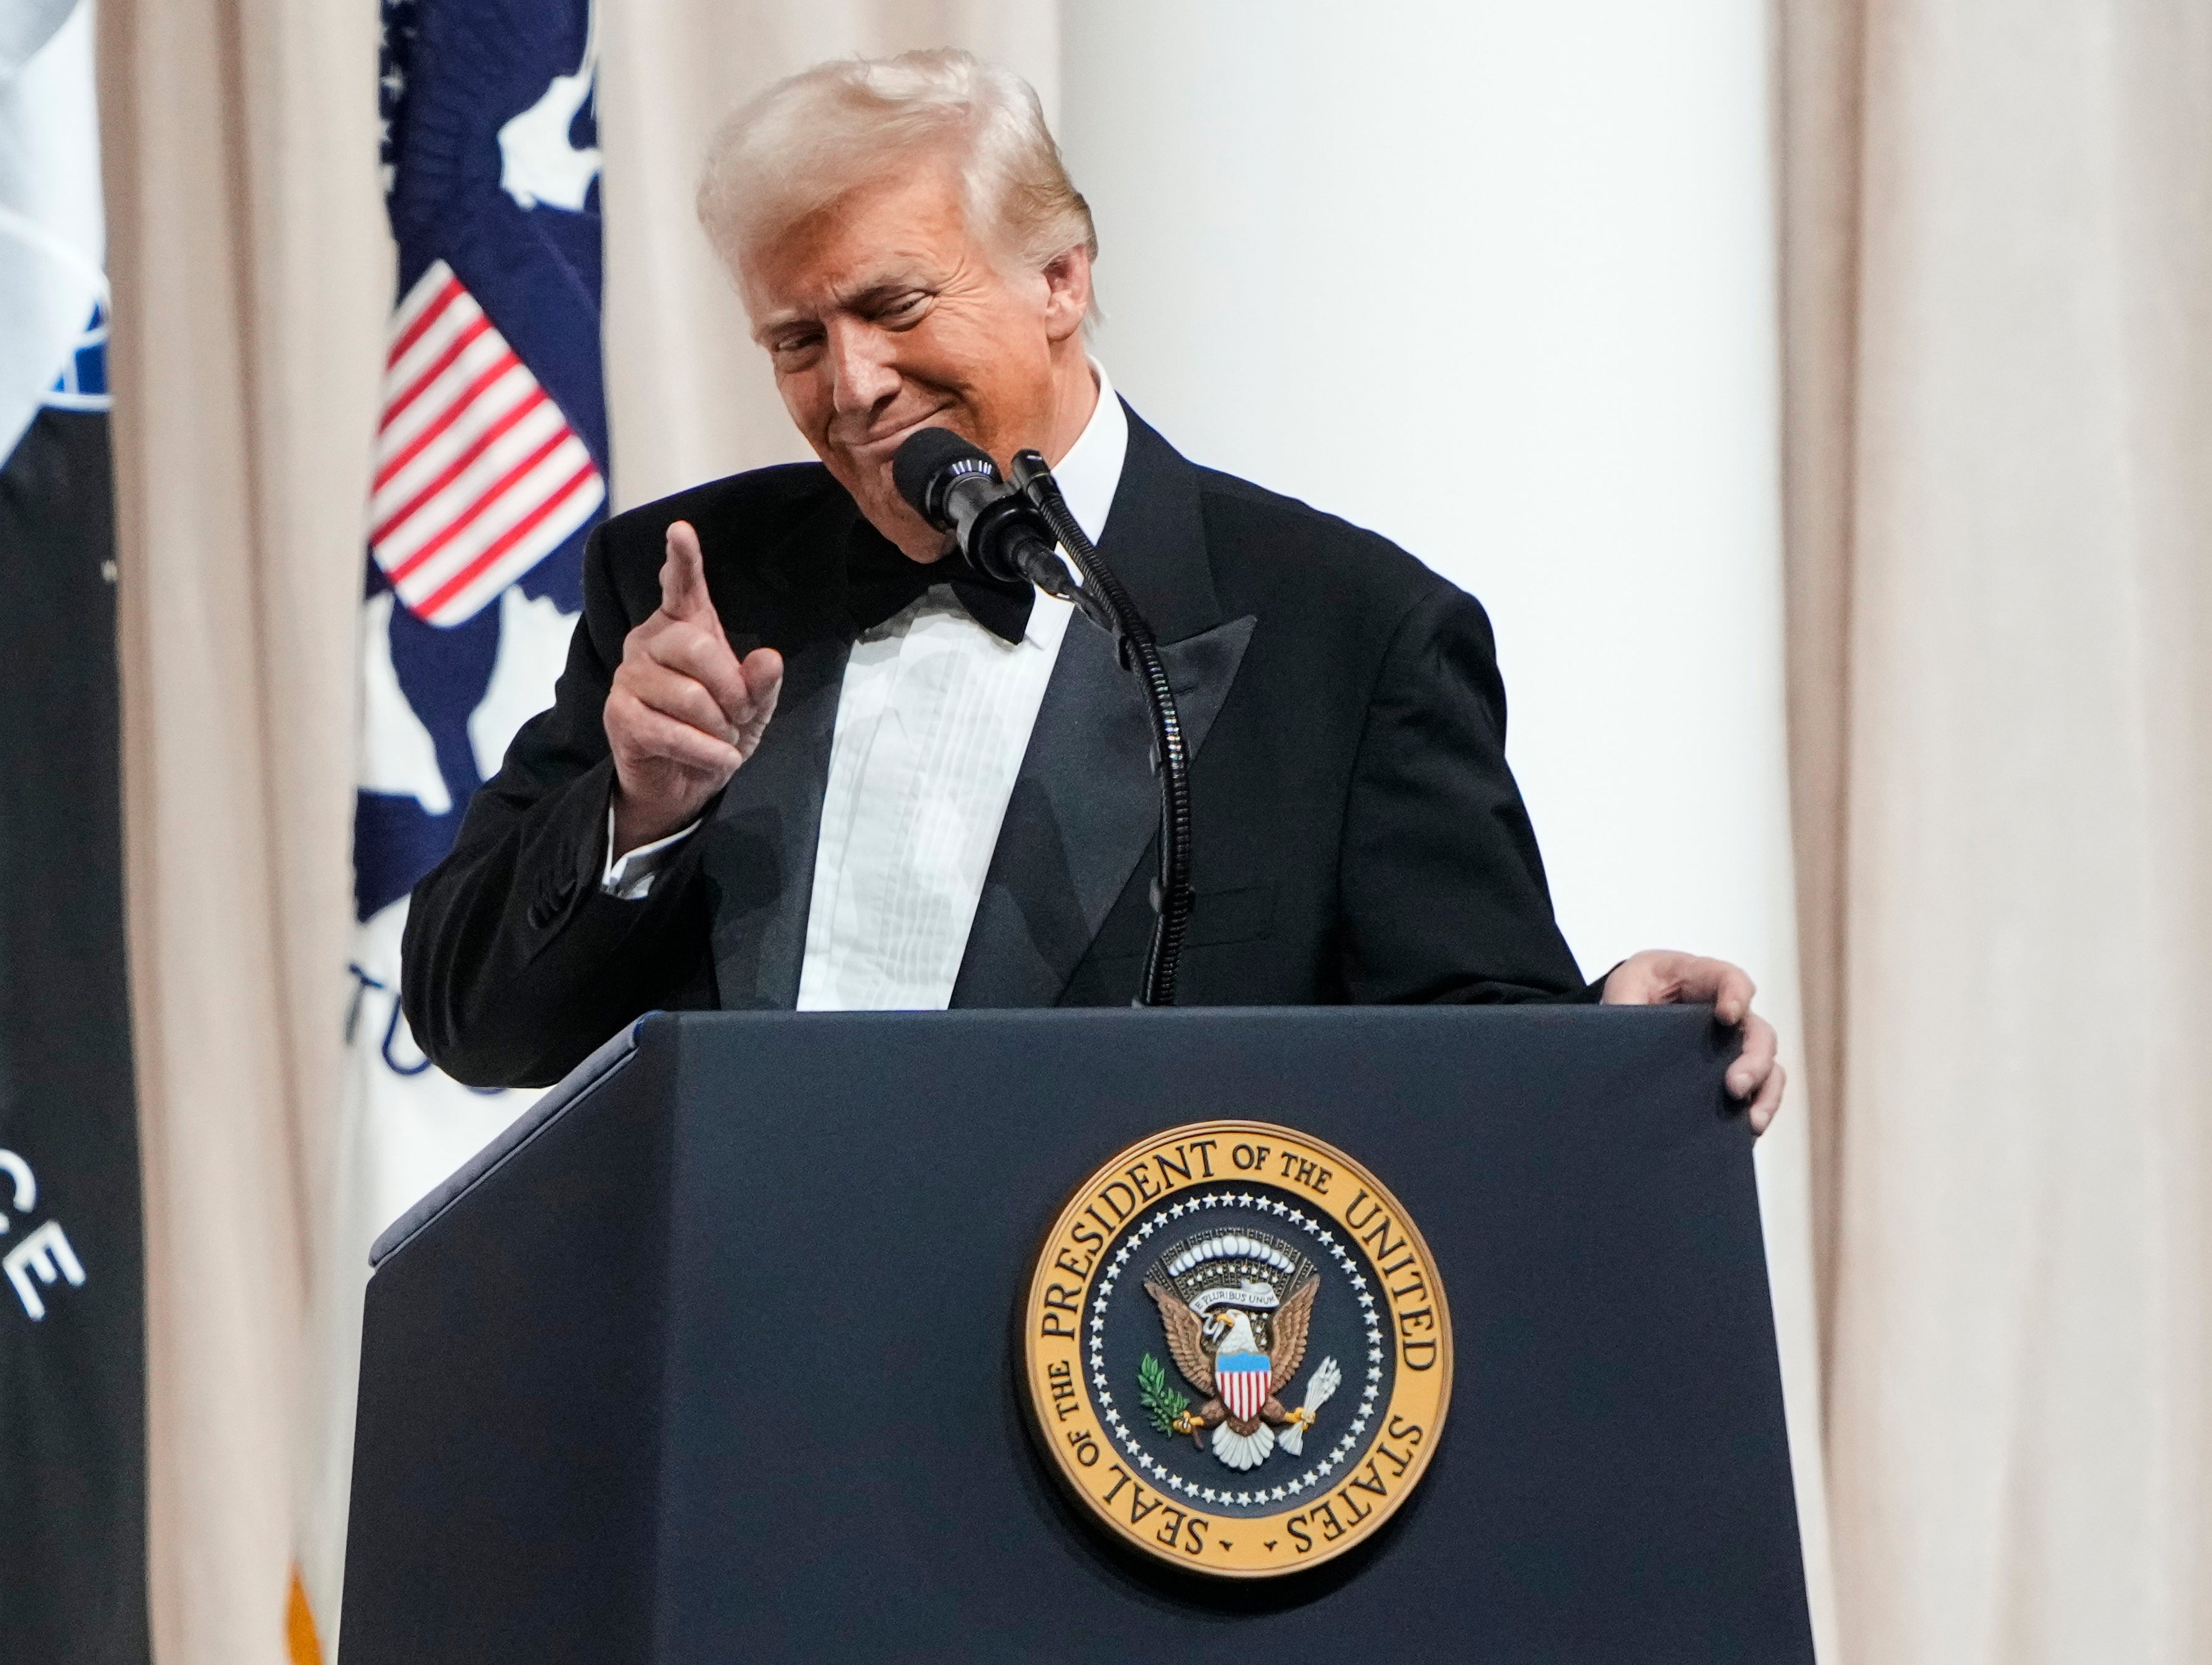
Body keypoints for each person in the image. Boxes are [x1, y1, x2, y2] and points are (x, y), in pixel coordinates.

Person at [399, 48, 1786, 1131]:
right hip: (745, 1389)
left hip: (1136, 1424)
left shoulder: (1351, 637)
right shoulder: (689, 587)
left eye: (893, 307)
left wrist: (1609, 1038)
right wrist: (637, 814)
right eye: (795, 339)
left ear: (1059, 276)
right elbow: (476, 1026)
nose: (852, 385)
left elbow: (1462, 1058)